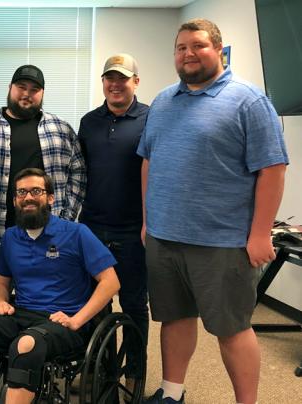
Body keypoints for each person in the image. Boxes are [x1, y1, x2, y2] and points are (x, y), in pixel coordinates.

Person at [138, 19, 288, 404]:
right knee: (174, 317)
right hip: (164, 236)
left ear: (218, 49)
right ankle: (172, 393)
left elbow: (272, 168)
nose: (188, 53)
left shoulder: (249, 101)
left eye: (198, 46)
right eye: (181, 47)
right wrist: (146, 219)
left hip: (222, 241)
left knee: (231, 328)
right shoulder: (163, 101)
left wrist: (259, 233)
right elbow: (149, 162)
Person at [0, 168, 119, 404]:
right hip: (20, 314)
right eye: (21, 192)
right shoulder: (11, 236)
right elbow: (1, 282)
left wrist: (78, 320)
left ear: (50, 198)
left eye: (36, 191)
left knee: (25, 344)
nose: (28, 197)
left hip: (62, 320)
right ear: (15, 201)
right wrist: (0, 302)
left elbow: (111, 282)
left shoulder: (76, 233)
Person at [0, 64, 86, 314]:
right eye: (21, 87)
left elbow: (78, 174)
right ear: (10, 89)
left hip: (47, 238)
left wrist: (65, 219)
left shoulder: (61, 130)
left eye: (34, 89)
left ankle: (29, 351)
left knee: (43, 302)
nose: (27, 93)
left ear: (42, 93)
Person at [78, 53, 149, 396]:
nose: (115, 84)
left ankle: (134, 374)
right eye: (110, 78)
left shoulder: (152, 119)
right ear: (103, 82)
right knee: (96, 305)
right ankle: (103, 371)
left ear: (136, 82)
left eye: (123, 78)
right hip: (92, 228)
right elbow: (81, 174)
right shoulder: (89, 122)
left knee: (134, 305)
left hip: (133, 230)